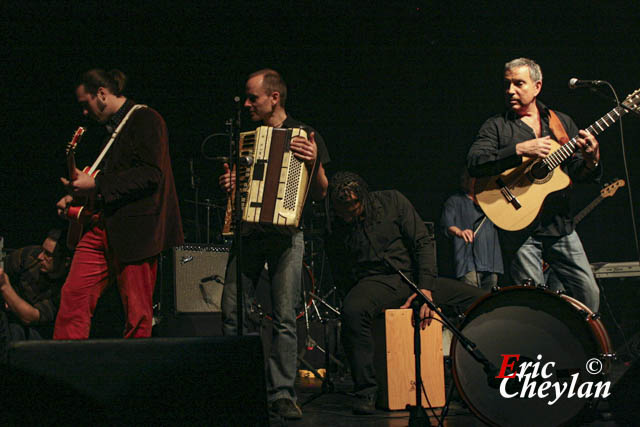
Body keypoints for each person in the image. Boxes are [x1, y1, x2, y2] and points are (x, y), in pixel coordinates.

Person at [218, 69, 330, 420]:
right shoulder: (248, 139)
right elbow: (239, 187)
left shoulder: (306, 134)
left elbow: (322, 191)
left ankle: (282, 393)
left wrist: (313, 163)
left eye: (253, 98)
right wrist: (231, 183)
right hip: (249, 233)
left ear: (274, 98)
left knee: (284, 315)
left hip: (285, 236)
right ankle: (239, 385)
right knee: (233, 310)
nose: (248, 104)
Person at [325, 171, 486, 415]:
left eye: (353, 206)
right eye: (342, 208)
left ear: (364, 198)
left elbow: (422, 241)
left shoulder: (392, 201)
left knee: (479, 299)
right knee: (353, 310)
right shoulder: (336, 223)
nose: (348, 213)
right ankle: (366, 391)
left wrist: (426, 289)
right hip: (375, 284)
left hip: (413, 279)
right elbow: (340, 269)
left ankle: (476, 380)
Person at [54, 69, 184, 339]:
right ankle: (64, 364)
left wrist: (96, 186)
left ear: (101, 94)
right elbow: (113, 180)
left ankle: (134, 375)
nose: (84, 113)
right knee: (73, 296)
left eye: (85, 104)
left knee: (137, 314)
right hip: (103, 226)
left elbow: (151, 174)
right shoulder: (113, 130)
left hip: (137, 232)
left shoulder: (146, 118)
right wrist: (78, 196)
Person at [467, 57, 601, 312]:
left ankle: (582, 347)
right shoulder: (496, 126)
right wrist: (518, 149)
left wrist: (591, 161)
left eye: (518, 84)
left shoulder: (560, 123)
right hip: (520, 229)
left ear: (537, 87)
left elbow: (576, 174)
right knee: (535, 300)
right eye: (507, 85)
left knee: (588, 292)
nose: (510, 91)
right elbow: (475, 161)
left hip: (559, 225)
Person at [0, 229, 69, 359]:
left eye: (48, 254)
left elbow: (31, 317)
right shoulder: (32, 256)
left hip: (37, 329)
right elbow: (4, 266)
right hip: (8, 311)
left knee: (17, 334)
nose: (40, 257)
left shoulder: (66, 287)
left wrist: (5, 287)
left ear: (66, 262)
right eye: (42, 250)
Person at [440, 169, 503, 290]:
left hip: (492, 259)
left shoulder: (489, 203)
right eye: (467, 179)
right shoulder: (455, 201)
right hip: (467, 261)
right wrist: (459, 232)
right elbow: (447, 224)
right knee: (472, 297)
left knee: (491, 298)